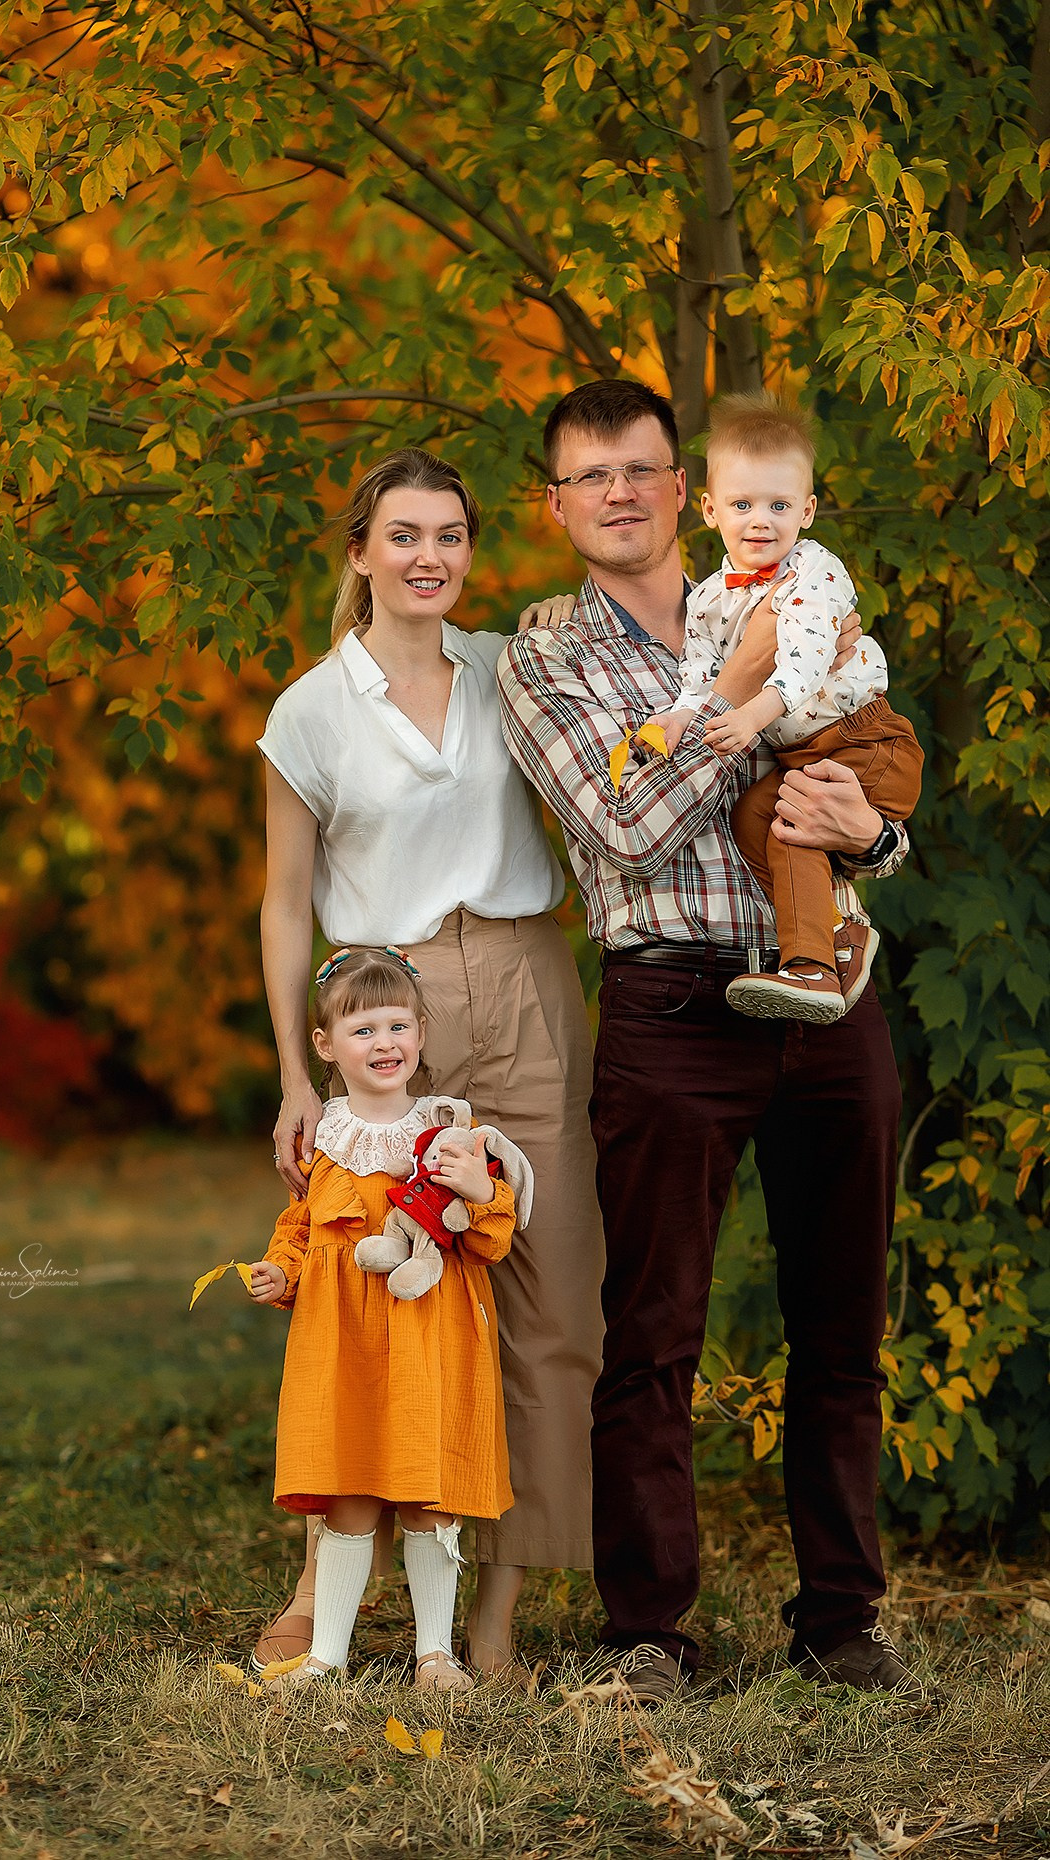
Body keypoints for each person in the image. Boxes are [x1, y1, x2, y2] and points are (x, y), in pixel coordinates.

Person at [497, 378, 924, 1704]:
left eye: (640, 469)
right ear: (557, 503)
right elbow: (623, 829)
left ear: (684, 486)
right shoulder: (546, 653)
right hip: (674, 1013)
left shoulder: (789, 584)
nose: (618, 493)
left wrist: (874, 832)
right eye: (589, 476)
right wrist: (742, 699)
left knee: (842, 1325)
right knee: (655, 1331)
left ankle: (842, 1619)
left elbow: (860, 773)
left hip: (830, 1000)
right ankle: (651, 1637)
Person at [255, 447, 605, 1675]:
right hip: (385, 999)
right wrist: (301, 1079)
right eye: (402, 535)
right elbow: (284, 904)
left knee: (544, 1297)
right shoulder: (309, 709)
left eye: (449, 535)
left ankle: (493, 1624)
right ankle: (322, 1590)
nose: (427, 557)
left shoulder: (512, 669)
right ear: (360, 552)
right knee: (367, 1294)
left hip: (523, 980)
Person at [246, 948, 524, 1692]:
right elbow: (302, 1229)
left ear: (423, 1033)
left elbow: (489, 1236)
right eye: (363, 1029)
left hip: (431, 1342)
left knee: (429, 1492)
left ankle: (435, 1655)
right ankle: (328, 1654)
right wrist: (283, 1274)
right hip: (345, 1348)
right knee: (351, 1492)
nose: (384, 1043)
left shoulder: (449, 1134)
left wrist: (477, 1188)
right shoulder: (323, 1136)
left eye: (398, 1025)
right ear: (325, 1046)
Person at [647, 392, 923, 1024]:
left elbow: (800, 664)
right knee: (756, 822)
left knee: (789, 823)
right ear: (711, 510)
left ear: (808, 509)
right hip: (804, 758)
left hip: (862, 743)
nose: (761, 520)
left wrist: (747, 717)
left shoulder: (813, 573)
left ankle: (814, 962)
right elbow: (701, 674)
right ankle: (830, 946)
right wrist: (680, 716)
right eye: (742, 505)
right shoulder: (712, 596)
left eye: (778, 505)